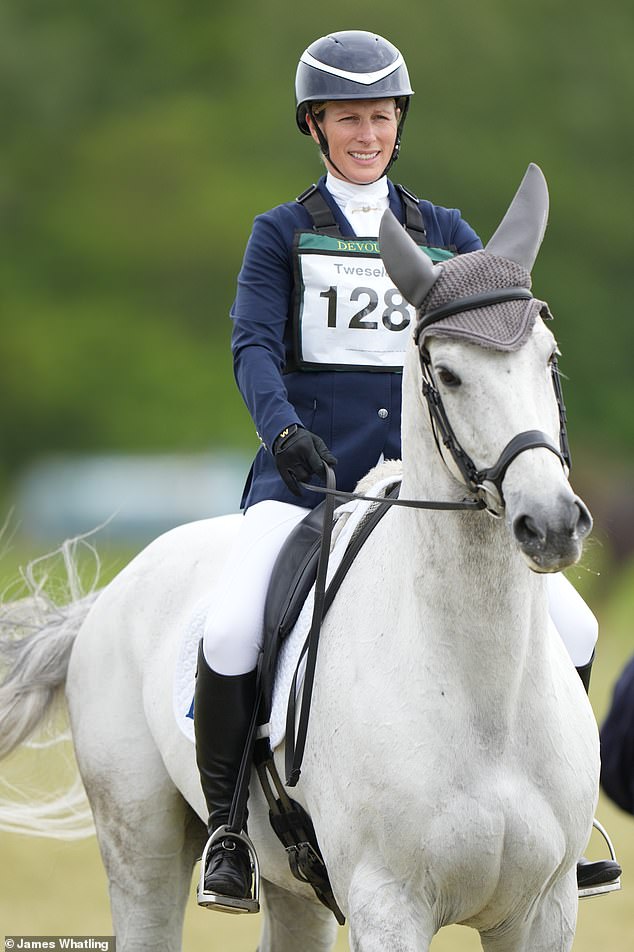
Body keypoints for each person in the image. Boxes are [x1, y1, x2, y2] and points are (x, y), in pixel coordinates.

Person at [193, 29, 620, 912]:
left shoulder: (450, 236)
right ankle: (232, 828)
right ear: (315, 126)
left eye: (381, 118)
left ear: (398, 124)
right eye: (349, 119)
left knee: (573, 630)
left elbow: (501, 357)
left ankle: (561, 822)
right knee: (234, 627)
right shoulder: (282, 234)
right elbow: (251, 346)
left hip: (437, 488)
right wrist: (281, 435)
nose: (367, 134)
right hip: (310, 480)